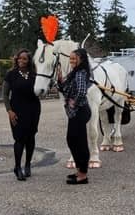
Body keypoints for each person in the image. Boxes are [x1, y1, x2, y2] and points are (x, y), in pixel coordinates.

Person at [3, 49, 41, 181]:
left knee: (31, 137)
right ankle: (17, 167)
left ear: (29, 60)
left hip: (33, 109)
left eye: (24, 59)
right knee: (19, 139)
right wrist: (9, 111)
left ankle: (28, 165)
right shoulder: (11, 74)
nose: (21, 61)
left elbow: (41, 90)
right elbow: (5, 95)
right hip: (17, 110)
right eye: (19, 58)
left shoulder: (34, 75)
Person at [57, 48, 92, 185]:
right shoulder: (75, 72)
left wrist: (74, 103)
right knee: (73, 140)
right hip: (76, 113)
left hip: (80, 112)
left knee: (79, 142)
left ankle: (83, 175)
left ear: (81, 59)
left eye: (74, 58)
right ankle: (80, 170)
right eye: (70, 58)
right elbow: (65, 89)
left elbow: (82, 91)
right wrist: (60, 81)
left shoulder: (81, 73)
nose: (71, 61)